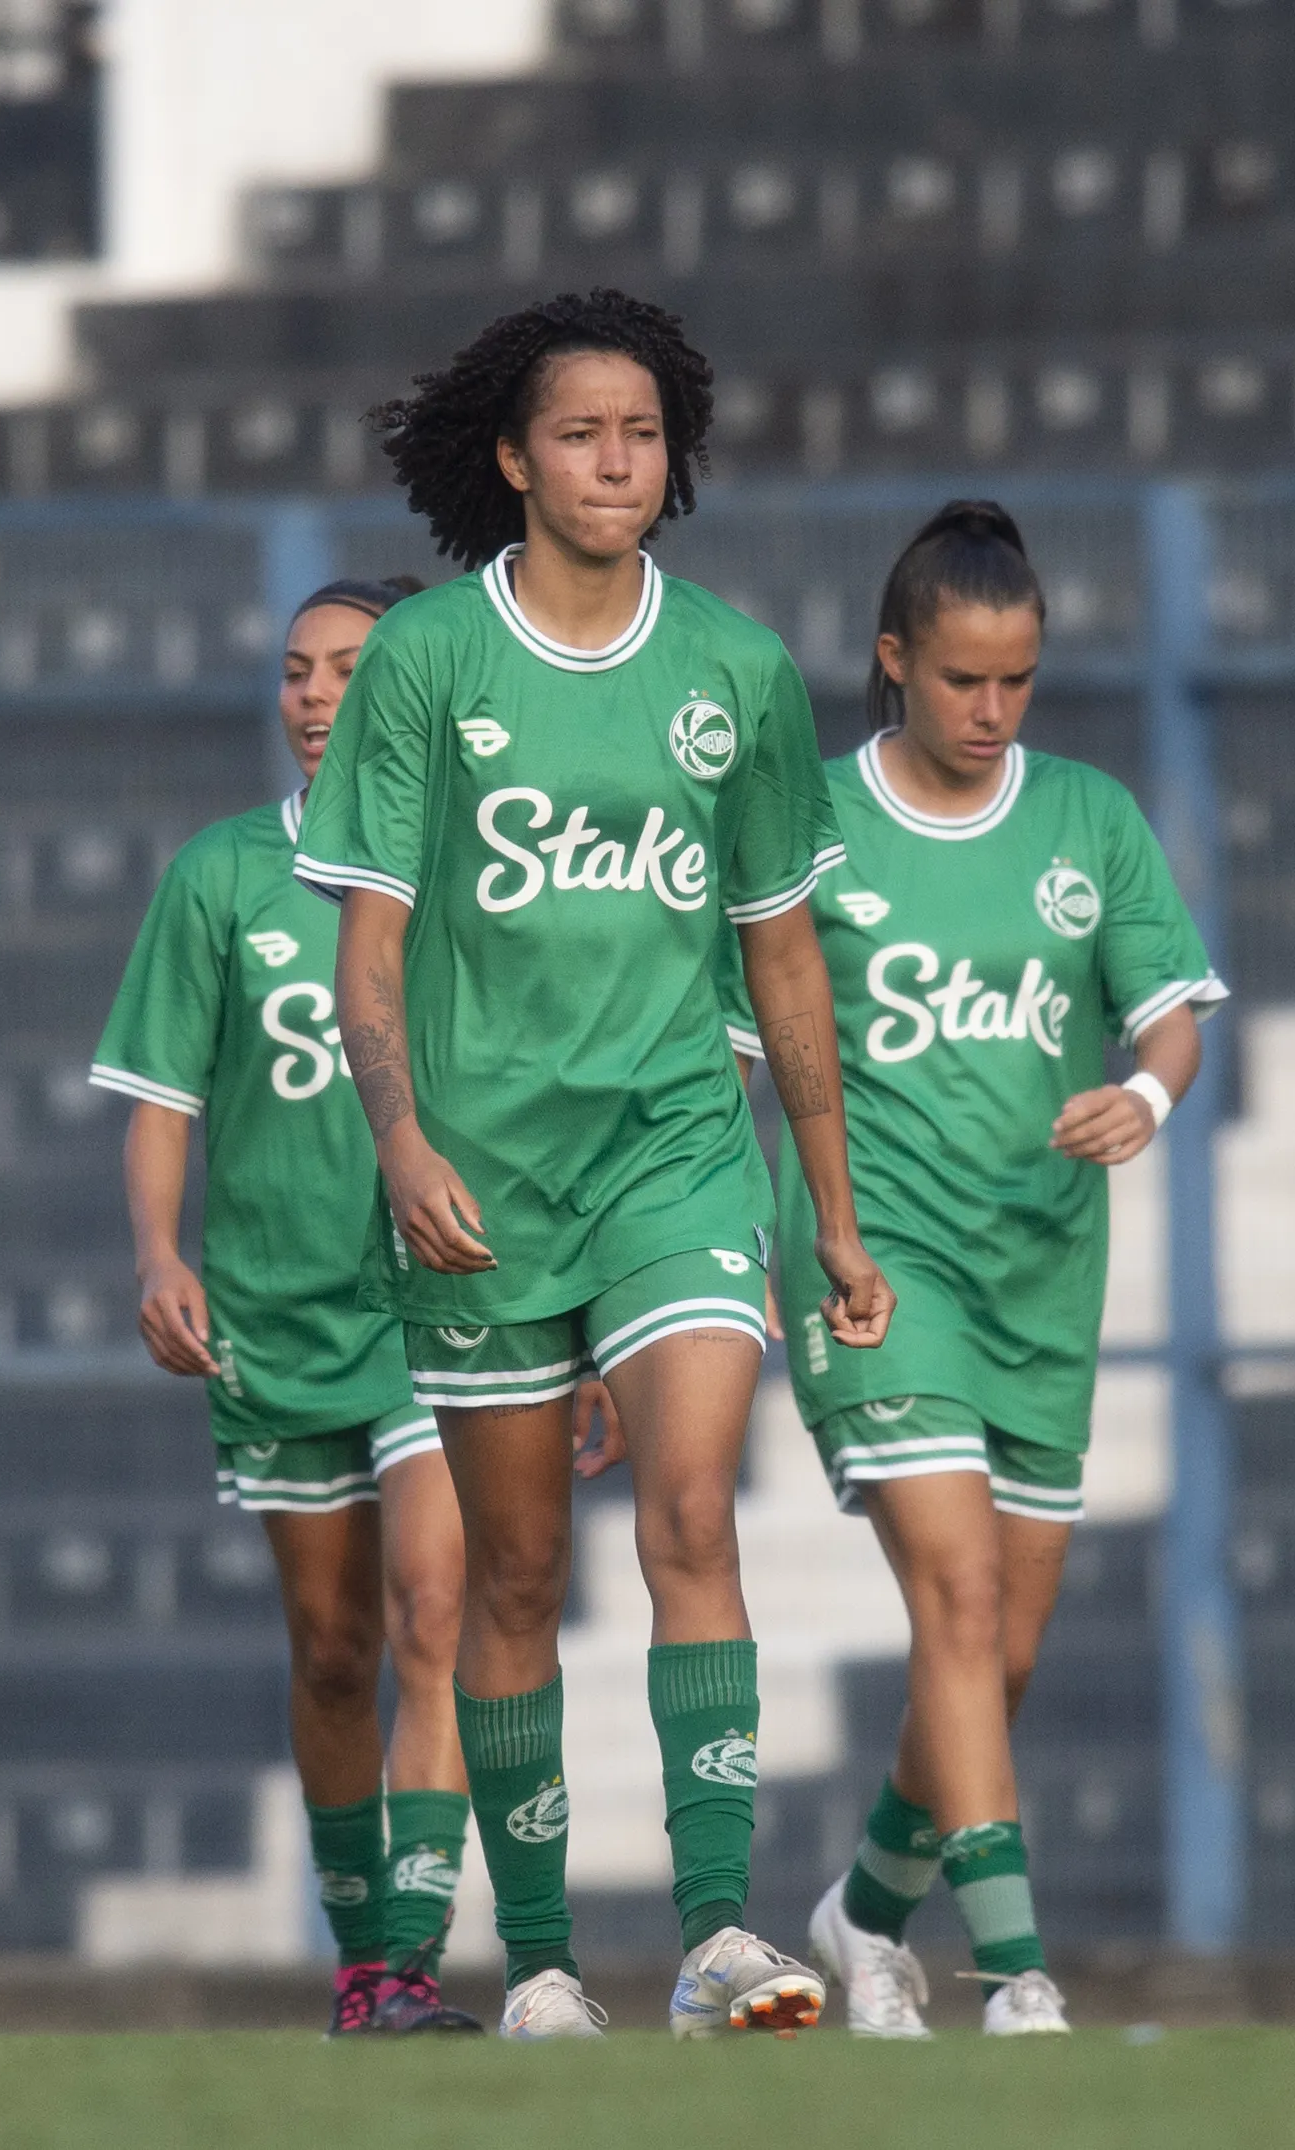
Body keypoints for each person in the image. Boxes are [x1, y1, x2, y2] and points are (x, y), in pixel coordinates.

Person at [296, 287, 895, 2042]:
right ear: (515, 456)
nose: (614, 459)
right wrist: (398, 1134)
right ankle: (545, 1959)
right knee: (514, 1575)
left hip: (677, 1154)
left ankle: (718, 1936)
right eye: (579, 432)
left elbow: (785, 955)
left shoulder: (734, 670)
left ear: (673, 454)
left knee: (698, 1508)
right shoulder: (429, 664)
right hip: (481, 1179)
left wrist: (828, 1214)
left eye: (640, 432)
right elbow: (373, 945)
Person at [753, 502, 1222, 2037]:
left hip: (1041, 1281)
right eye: (962, 678)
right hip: (879, 1268)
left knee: (997, 1657)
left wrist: (1144, 1094)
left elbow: (1170, 1017)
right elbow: (732, 1049)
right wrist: (791, 1238)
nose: (992, 709)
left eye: (1018, 681)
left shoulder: (1087, 820)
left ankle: (864, 1911)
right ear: (895, 662)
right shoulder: (807, 829)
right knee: (951, 1595)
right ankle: (1019, 1972)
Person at [91, 574, 482, 2038]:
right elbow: (161, 1102)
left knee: (434, 1606)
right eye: (295, 671)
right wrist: (157, 1255)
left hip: (438, 1304)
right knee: (333, 1647)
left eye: (346, 668)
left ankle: (416, 1961)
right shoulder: (221, 876)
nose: (315, 695)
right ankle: (358, 1956)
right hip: (275, 1309)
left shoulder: (470, 870)